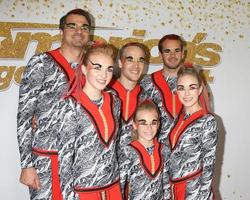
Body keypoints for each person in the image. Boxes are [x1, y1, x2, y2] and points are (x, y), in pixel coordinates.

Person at [17, 8, 92, 200]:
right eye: (72, 25)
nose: (79, 31)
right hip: (47, 158)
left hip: (82, 159)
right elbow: (25, 115)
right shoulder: (41, 62)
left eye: (84, 27)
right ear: (61, 31)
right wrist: (26, 165)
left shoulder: (94, 67)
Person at [56, 44, 122, 200]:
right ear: (84, 69)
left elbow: (116, 146)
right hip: (84, 191)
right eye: (97, 68)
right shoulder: (70, 105)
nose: (104, 75)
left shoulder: (115, 101)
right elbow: (65, 156)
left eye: (109, 69)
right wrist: (68, 196)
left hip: (113, 186)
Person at [140, 34, 210, 142]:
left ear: (182, 53)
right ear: (160, 54)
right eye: (167, 51)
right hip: (157, 151)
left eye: (176, 50)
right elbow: (140, 120)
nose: (172, 55)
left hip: (187, 148)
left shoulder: (195, 81)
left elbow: (205, 114)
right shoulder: (147, 82)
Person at [168, 67, 218, 199]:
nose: (186, 93)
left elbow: (209, 162)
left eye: (192, 87)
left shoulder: (207, 121)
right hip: (175, 188)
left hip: (194, 191)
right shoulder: (177, 118)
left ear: (200, 89)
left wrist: (203, 195)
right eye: (181, 88)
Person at [119, 100, 171, 200]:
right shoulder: (127, 152)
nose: (149, 128)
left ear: (158, 125)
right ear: (135, 125)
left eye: (153, 123)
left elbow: (166, 186)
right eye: (143, 123)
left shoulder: (164, 150)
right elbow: (120, 187)